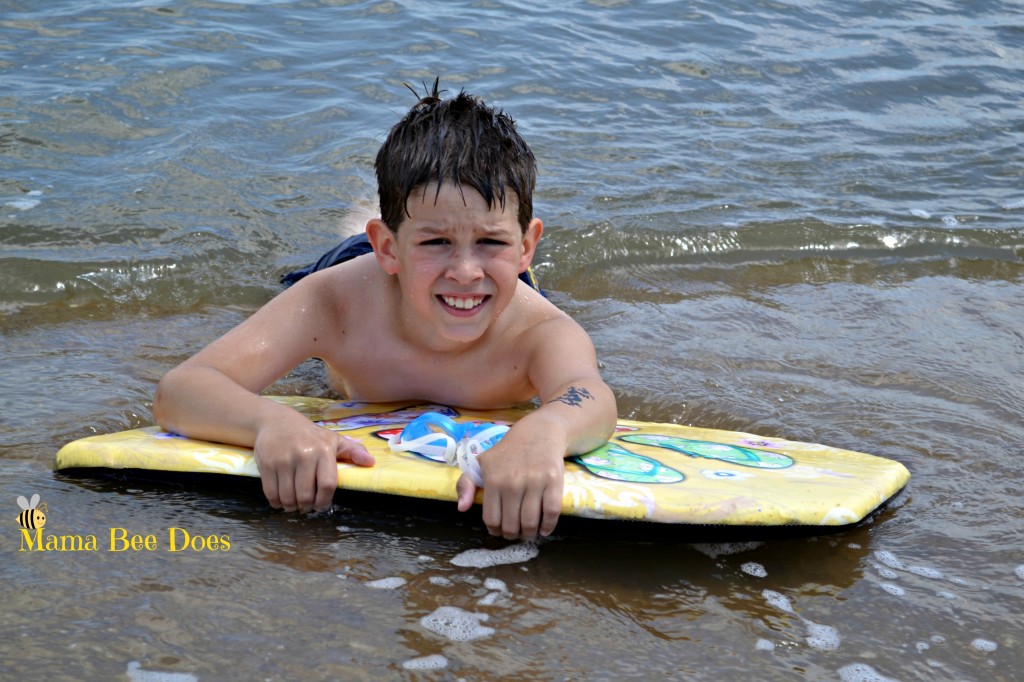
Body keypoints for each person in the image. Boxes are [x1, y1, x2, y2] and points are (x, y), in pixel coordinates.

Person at [153, 80, 617, 540]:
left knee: (442, 232)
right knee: (367, 229)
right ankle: (371, 214)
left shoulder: (539, 329)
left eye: (492, 242)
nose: (465, 271)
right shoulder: (330, 303)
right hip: (361, 270)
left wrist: (546, 432)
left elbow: (590, 396)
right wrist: (270, 422)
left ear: (526, 246)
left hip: (451, 271)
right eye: (438, 243)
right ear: (388, 249)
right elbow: (181, 390)